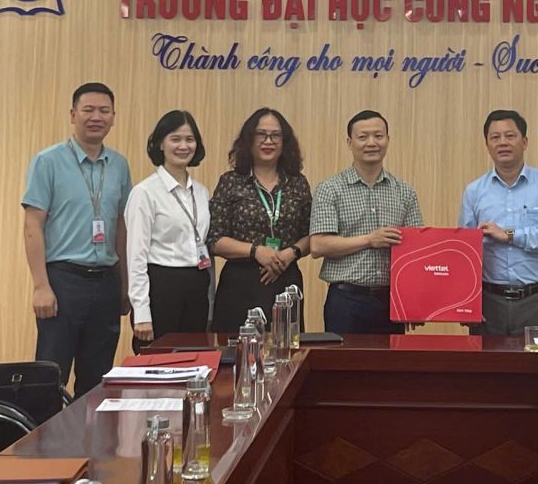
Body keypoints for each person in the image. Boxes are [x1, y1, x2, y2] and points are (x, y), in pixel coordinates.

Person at [20, 82, 133, 396]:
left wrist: (125, 285)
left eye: (104, 111)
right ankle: (45, 430)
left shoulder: (119, 165)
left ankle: (90, 431)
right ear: (73, 115)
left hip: (106, 282)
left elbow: (122, 227)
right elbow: (32, 224)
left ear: (113, 117)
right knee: (50, 376)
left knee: (97, 380)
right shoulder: (48, 161)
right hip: (63, 281)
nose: (96, 117)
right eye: (88, 110)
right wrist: (40, 286)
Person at [309, 110, 423, 335]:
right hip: (346, 300)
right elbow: (318, 245)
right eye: (363, 137)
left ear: (388, 140)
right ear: (350, 143)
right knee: (344, 359)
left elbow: (416, 252)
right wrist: (370, 240)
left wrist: (412, 301)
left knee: (390, 360)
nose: (371, 143)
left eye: (378, 136)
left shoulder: (405, 192)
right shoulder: (330, 189)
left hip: (391, 301)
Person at [459, 110, 538, 338]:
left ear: (524, 142)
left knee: (537, 362)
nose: (503, 142)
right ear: (487, 145)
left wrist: (510, 235)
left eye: (510, 136)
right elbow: (466, 251)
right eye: (495, 137)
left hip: (536, 301)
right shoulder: (474, 191)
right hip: (489, 302)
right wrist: (465, 302)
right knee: (486, 362)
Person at [208, 107, 313, 333]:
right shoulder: (231, 181)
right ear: (249, 139)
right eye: (261, 134)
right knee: (236, 349)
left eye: (275, 135)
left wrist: (290, 253)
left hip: (286, 280)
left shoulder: (297, 183)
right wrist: (256, 251)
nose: (268, 141)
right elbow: (215, 240)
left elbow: (312, 235)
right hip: (240, 283)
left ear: (285, 142)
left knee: (286, 348)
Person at [125, 109, 213, 346]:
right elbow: (136, 256)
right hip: (161, 285)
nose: (183, 146)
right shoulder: (145, 193)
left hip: (196, 284)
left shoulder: (201, 192)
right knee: (158, 361)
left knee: (194, 359)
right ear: (160, 144)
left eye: (189, 139)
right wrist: (141, 312)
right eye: (175, 139)